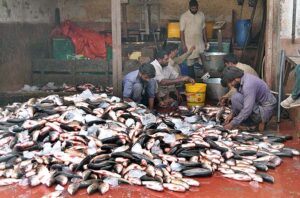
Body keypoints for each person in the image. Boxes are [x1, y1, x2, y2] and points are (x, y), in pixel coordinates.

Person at [221, 67, 277, 131]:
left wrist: (232, 124)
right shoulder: (242, 79)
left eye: (230, 83)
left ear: (236, 79)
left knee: (236, 98)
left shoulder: (248, 85)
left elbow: (247, 109)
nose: (231, 85)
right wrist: (232, 114)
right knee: (236, 97)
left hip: (264, 111)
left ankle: (252, 123)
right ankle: (247, 122)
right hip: (258, 105)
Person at [180, 0, 208, 79]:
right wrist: (183, 45)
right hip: (189, 44)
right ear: (189, 7)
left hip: (200, 44)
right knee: (190, 65)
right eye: (192, 8)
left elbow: (204, 29)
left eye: (195, 8)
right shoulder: (184, 16)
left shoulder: (201, 14)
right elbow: (181, 32)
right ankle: (193, 83)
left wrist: (206, 41)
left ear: (197, 7)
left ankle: (205, 81)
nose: (194, 9)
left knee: (204, 64)